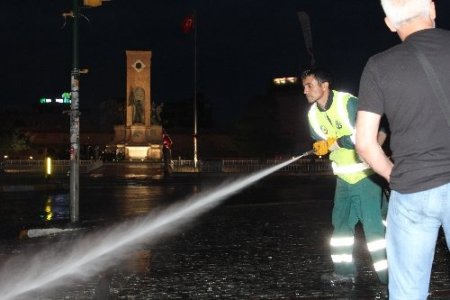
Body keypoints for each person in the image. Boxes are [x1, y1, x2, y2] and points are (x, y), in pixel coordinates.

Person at [355, 0, 450, 299]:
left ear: (390, 23)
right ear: (432, 8)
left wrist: (393, 175)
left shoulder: (379, 66)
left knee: (407, 291)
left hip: (412, 191)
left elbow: (365, 143)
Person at [301, 68, 388, 286]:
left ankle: (390, 278)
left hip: (365, 176)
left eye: (309, 85)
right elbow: (322, 140)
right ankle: (343, 271)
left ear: (324, 85)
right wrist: (321, 147)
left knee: (374, 231)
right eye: (304, 86)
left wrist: (336, 142)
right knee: (340, 228)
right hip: (343, 178)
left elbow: (365, 134)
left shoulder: (347, 103)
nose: (305, 90)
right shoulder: (312, 114)